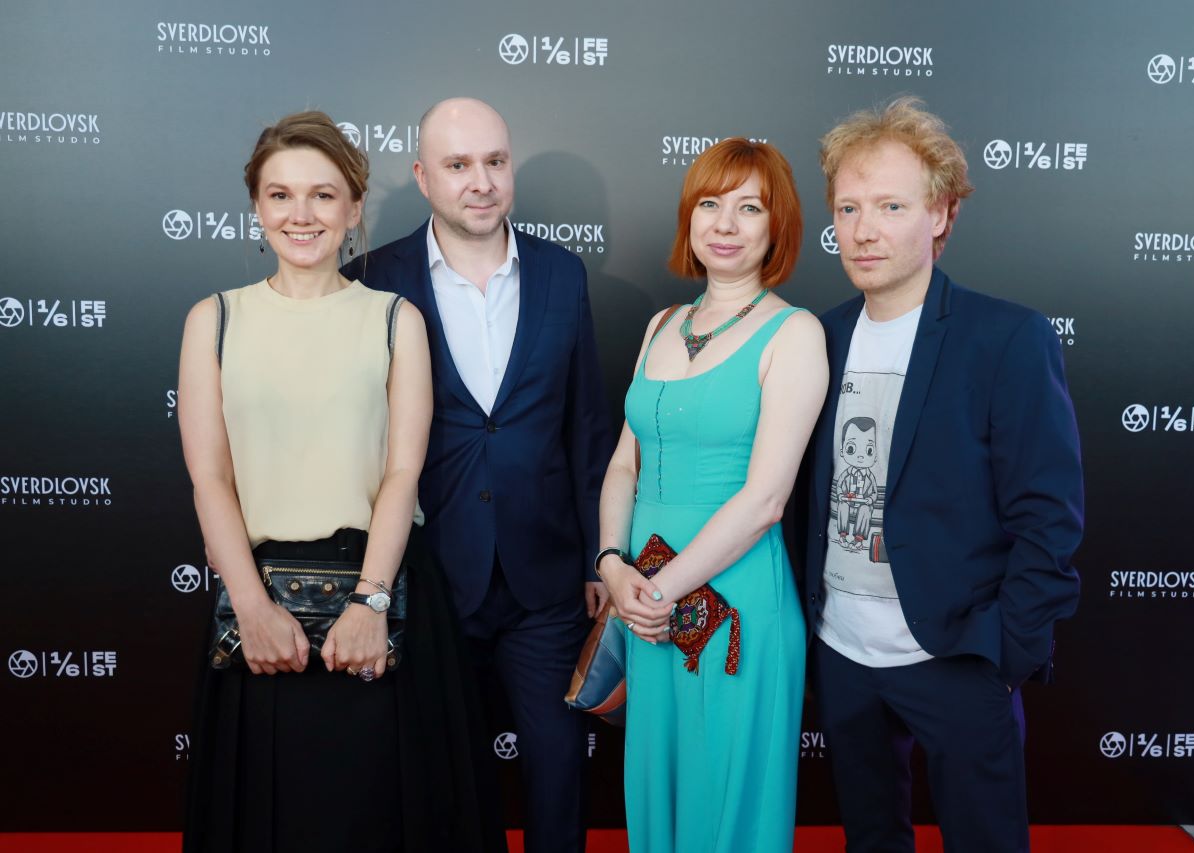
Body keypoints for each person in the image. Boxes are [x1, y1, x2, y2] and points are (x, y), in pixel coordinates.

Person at [178, 110, 499, 852]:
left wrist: (369, 603)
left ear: (354, 208)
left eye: (323, 195)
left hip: (378, 603)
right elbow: (209, 476)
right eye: (281, 195)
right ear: (257, 207)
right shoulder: (214, 319)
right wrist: (252, 610)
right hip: (260, 611)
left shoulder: (394, 318)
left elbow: (402, 471)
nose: (302, 214)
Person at [801, 96, 1084, 853]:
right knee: (871, 838)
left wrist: (1003, 653)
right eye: (849, 208)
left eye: (891, 206)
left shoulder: (1008, 337)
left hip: (958, 653)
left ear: (941, 214)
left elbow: (1048, 516)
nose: (863, 230)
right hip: (841, 652)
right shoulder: (817, 336)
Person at [345, 97, 613, 853]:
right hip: (428, 575)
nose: (481, 181)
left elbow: (587, 427)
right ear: (422, 176)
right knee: (442, 782)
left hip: (547, 580)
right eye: (458, 165)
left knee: (559, 773)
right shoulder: (370, 280)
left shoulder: (561, 273)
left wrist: (600, 555)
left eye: (495, 161)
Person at [595, 138, 827, 853]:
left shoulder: (795, 333)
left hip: (733, 605)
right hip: (645, 604)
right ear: (689, 218)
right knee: (660, 785)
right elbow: (623, 465)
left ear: (777, 227)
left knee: (726, 797)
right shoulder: (660, 325)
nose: (725, 223)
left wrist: (657, 591)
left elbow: (765, 500)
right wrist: (612, 566)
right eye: (710, 204)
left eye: (749, 207)